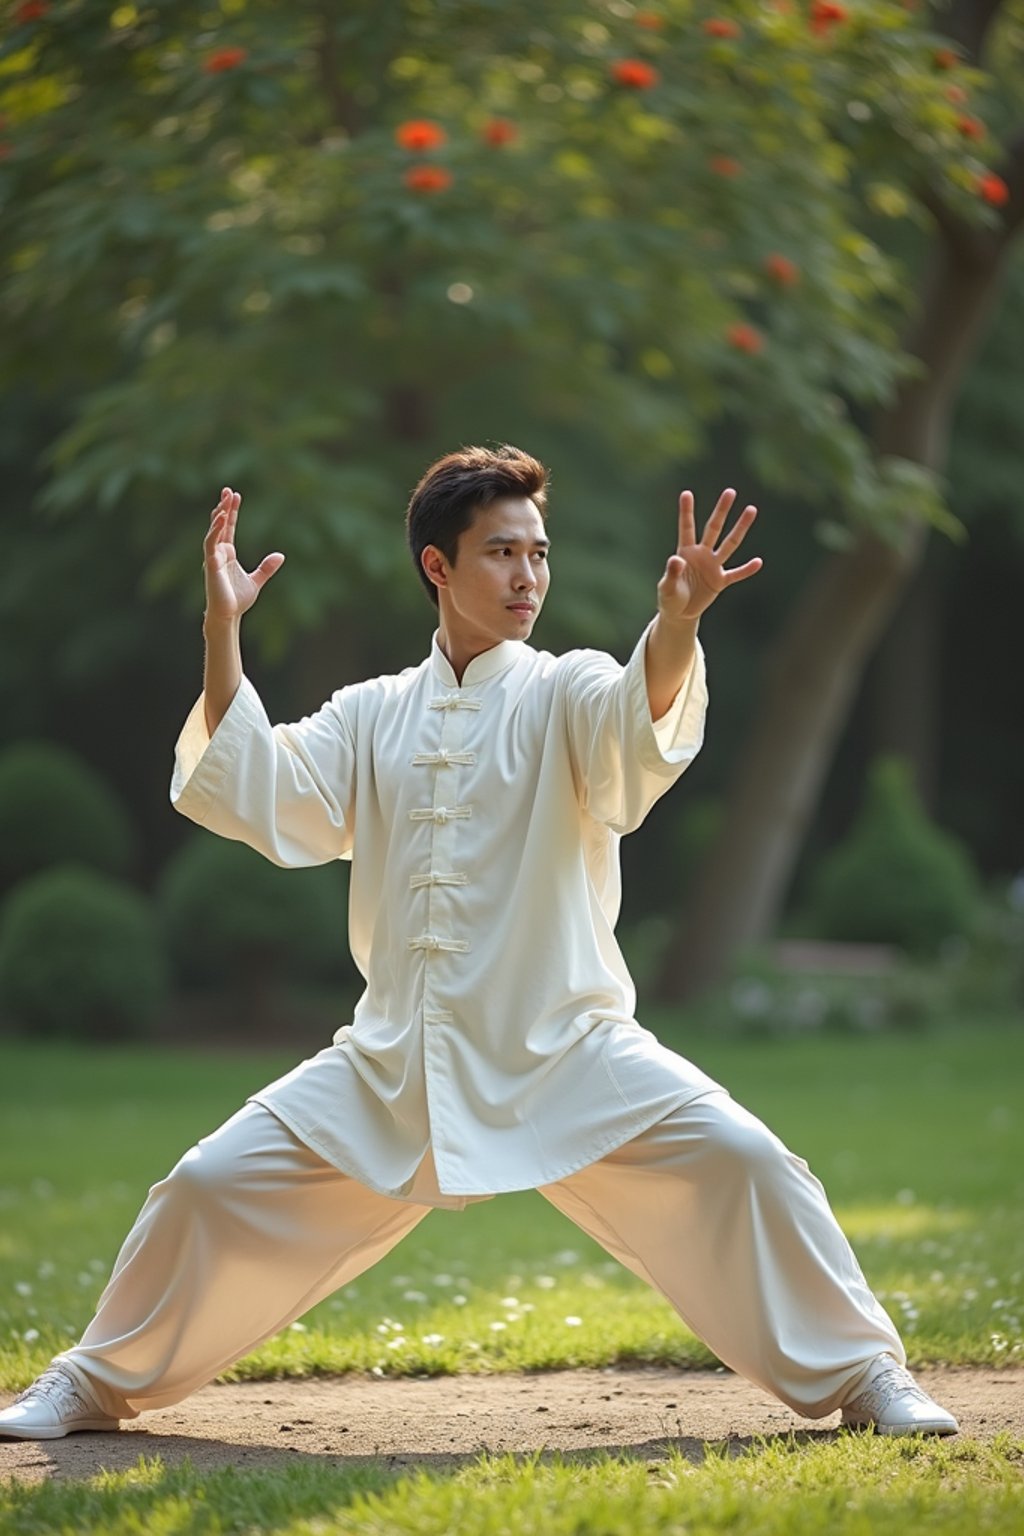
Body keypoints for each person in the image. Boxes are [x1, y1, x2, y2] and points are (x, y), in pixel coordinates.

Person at [0, 444, 957, 1442]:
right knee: (204, 1185)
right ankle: (93, 1383)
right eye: (502, 553)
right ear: (438, 568)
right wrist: (222, 627)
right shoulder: (369, 715)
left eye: (538, 554)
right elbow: (256, 787)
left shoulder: (567, 690)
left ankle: (866, 1377)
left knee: (747, 1162)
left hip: (566, 1048)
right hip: (391, 1063)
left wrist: (674, 625)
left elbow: (637, 731)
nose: (527, 577)